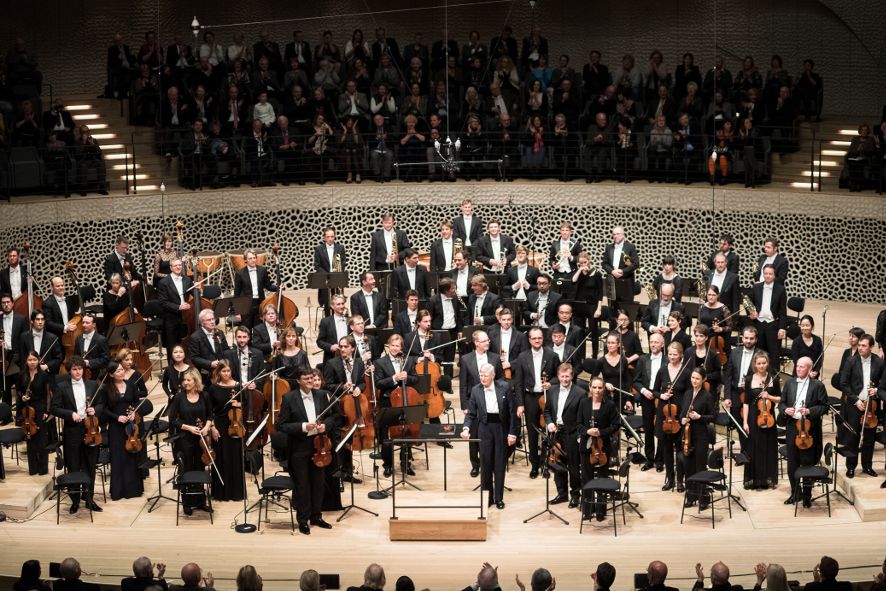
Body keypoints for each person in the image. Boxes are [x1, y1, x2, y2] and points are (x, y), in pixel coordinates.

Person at [277, 365, 340, 534]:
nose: (310, 381)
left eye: (312, 377)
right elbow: (281, 425)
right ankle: (303, 519)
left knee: (318, 483)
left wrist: (326, 425)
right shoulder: (289, 398)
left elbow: (335, 416)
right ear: (298, 380)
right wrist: (304, 426)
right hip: (299, 447)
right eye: (306, 378)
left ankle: (316, 516)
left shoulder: (322, 395)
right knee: (302, 485)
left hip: (320, 446)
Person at [461, 363, 518, 509]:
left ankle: (498, 498)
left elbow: (512, 412)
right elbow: (471, 413)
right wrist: (466, 428)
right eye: (481, 375)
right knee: (485, 464)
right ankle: (487, 497)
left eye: (485, 375)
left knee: (499, 464)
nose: (482, 378)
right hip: (484, 428)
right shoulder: (476, 390)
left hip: (500, 427)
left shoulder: (504, 387)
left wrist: (512, 433)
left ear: (493, 375)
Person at [52, 356, 104, 513]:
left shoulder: (92, 384)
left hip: (90, 429)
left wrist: (95, 410)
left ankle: (89, 499)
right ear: (69, 371)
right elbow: (54, 408)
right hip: (72, 430)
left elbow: (101, 404)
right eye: (74, 369)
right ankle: (74, 500)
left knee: (90, 465)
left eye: (80, 369)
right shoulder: (62, 387)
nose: (77, 372)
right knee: (73, 465)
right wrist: (70, 414)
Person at [779, 356, 828, 506]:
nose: (798, 369)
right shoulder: (789, 383)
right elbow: (782, 403)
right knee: (792, 463)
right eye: (797, 366)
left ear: (809, 369)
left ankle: (807, 495)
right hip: (792, 427)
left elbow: (824, 407)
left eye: (802, 366)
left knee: (807, 463)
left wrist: (809, 411)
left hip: (808, 429)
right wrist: (785, 410)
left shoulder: (817, 385)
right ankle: (795, 493)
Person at [513, 327, 559, 478]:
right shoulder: (522, 357)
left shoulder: (552, 355)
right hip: (530, 398)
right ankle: (534, 465)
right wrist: (520, 404)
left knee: (547, 431)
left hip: (547, 398)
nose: (537, 340)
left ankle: (546, 463)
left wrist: (551, 383)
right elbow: (518, 383)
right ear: (529, 340)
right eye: (534, 338)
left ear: (543, 338)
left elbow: (558, 376)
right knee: (532, 433)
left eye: (539, 338)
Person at [168, 368, 214, 516]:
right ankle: (187, 503)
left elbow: (210, 415)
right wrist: (189, 428)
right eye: (184, 380)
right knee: (186, 469)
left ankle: (201, 501)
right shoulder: (179, 397)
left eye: (189, 380)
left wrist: (207, 427)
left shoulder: (204, 395)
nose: (185, 383)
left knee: (200, 467)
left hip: (202, 439)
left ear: (196, 381)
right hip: (185, 439)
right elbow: (172, 419)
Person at [459, 330, 504, 477]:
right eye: (484, 341)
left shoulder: (495, 358)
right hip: (474, 402)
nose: (488, 342)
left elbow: (501, 378)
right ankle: (475, 464)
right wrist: (465, 406)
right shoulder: (466, 359)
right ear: (476, 343)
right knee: (473, 435)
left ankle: (490, 463)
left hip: (492, 401)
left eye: (488, 340)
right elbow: (463, 385)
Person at [839, 334, 885, 478]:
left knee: (869, 438)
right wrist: (856, 400)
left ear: (871, 347)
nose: (860, 348)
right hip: (855, 405)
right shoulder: (851, 361)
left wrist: (876, 390)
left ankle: (867, 466)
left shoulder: (879, 362)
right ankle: (851, 467)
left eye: (863, 346)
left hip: (872, 406)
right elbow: (843, 383)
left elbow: (883, 384)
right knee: (853, 437)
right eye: (859, 345)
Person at [102, 361, 145, 500]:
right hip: (115, 427)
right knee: (118, 457)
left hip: (130, 426)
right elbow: (103, 409)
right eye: (118, 371)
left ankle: (133, 490)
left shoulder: (131, 385)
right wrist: (116, 417)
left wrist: (134, 412)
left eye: (122, 369)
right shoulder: (106, 389)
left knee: (131, 455)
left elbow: (136, 402)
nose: (121, 372)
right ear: (111, 374)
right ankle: (118, 491)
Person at [577, 376, 620, 520]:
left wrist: (601, 432)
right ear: (590, 388)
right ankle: (588, 510)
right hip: (586, 447)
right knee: (586, 478)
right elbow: (578, 424)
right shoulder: (583, 403)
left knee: (602, 478)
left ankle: (601, 511)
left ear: (603, 389)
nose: (597, 390)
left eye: (600, 387)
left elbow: (616, 425)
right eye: (594, 387)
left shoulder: (610, 405)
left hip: (603, 448)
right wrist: (587, 431)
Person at [543, 363, 585, 507]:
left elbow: (582, 417)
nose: (565, 379)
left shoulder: (580, 393)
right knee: (557, 465)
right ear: (558, 376)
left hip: (571, 434)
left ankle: (575, 495)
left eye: (567, 376)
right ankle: (562, 494)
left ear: (572, 376)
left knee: (573, 466)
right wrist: (549, 423)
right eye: (562, 376)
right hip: (556, 433)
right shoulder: (552, 390)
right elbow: (547, 411)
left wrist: (579, 434)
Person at [741, 351, 781, 490]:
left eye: (764, 363)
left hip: (769, 417)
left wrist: (769, 396)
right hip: (753, 417)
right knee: (754, 447)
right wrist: (745, 422)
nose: (761, 366)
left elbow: (780, 399)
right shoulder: (749, 379)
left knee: (769, 447)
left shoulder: (774, 378)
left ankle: (768, 478)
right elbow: (746, 403)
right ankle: (755, 480)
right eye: (759, 363)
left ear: (767, 363)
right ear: (755, 364)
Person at [207, 360, 246, 501]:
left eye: (228, 371)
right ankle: (221, 493)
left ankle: (236, 493)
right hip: (220, 425)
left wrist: (239, 403)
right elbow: (209, 411)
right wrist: (213, 428)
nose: (226, 374)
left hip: (235, 425)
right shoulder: (213, 388)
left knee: (235, 457)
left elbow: (246, 405)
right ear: (218, 372)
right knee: (221, 457)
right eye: (223, 371)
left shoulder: (238, 386)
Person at [655, 342, 689, 492]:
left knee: (680, 449)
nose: (672, 357)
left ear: (681, 355)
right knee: (666, 448)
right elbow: (654, 390)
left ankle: (680, 480)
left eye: (675, 354)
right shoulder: (662, 370)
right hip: (664, 415)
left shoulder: (686, 372)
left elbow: (689, 394)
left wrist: (684, 414)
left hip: (679, 415)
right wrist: (661, 395)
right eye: (670, 354)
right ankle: (670, 479)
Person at [680, 367, 715, 509]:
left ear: (704, 379)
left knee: (700, 467)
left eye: (697, 379)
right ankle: (691, 497)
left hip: (701, 435)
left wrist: (700, 417)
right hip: (688, 435)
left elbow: (713, 416)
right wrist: (682, 419)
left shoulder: (707, 396)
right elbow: (682, 412)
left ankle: (703, 499)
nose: (694, 381)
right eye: (693, 378)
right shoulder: (687, 393)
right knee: (688, 466)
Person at [17, 351, 53, 475]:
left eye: (34, 360)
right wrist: (22, 397)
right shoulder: (22, 374)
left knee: (41, 439)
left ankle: (43, 469)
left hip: (40, 408)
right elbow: (19, 390)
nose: (32, 362)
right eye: (30, 360)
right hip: (27, 409)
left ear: (38, 361)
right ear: (26, 361)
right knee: (30, 438)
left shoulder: (44, 375)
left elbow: (48, 394)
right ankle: (33, 468)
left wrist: (47, 411)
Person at [633, 333, 665, 471]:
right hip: (647, 398)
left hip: (662, 399)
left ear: (662, 344)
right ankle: (650, 459)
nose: (653, 344)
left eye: (656, 342)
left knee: (662, 430)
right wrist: (643, 391)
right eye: (651, 342)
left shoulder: (667, 360)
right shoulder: (643, 359)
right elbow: (636, 381)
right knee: (648, 429)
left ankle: (660, 460)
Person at [157, 258, 194, 362]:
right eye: (175, 265)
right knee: (172, 346)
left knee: (184, 343)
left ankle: (185, 364)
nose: (178, 267)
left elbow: (193, 294)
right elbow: (162, 302)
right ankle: (172, 368)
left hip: (185, 317)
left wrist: (199, 290)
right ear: (171, 268)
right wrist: (178, 307)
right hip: (171, 318)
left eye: (180, 265)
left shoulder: (187, 280)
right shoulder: (163, 282)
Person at [749, 264, 787, 363]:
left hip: (773, 324)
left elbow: (783, 311)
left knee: (774, 354)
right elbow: (748, 302)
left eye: (770, 274)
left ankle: (774, 373)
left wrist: (782, 328)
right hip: (758, 323)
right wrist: (751, 312)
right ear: (763, 274)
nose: (768, 276)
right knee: (758, 353)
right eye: (766, 273)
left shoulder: (781, 289)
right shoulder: (756, 287)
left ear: (774, 275)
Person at [234, 249, 278, 328]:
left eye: (254, 258)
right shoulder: (239, 273)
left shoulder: (262, 270)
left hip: (260, 304)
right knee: (247, 329)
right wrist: (237, 311)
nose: (253, 260)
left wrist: (278, 288)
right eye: (250, 258)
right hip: (246, 305)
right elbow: (236, 294)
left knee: (258, 328)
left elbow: (268, 286)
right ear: (245, 260)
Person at [188, 309, 230, 381]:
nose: (212, 322)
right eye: (209, 320)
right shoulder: (195, 337)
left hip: (221, 371)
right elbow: (194, 358)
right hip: (206, 373)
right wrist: (210, 364)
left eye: (213, 319)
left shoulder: (220, 333)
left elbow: (226, 350)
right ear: (202, 323)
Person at [314, 226, 348, 314]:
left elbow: (343, 262)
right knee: (327, 303)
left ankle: (339, 317)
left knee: (339, 302)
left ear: (334, 236)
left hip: (337, 280)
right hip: (325, 281)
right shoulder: (319, 249)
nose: (330, 239)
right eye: (328, 237)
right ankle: (328, 318)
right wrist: (327, 275)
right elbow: (317, 265)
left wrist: (336, 273)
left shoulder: (340, 248)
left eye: (332, 236)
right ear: (324, 237)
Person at [602, 226, 640, 304]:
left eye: (618, 234)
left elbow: (636, 263)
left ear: (623, 235)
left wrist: (622, 271)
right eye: (614, 234)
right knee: (612, 307)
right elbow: (604, 263)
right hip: (612, 282)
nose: (615, 236)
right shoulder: (608, 247)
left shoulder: (630, 247)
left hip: (626, 282)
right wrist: (612, 271)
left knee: (627, 307)